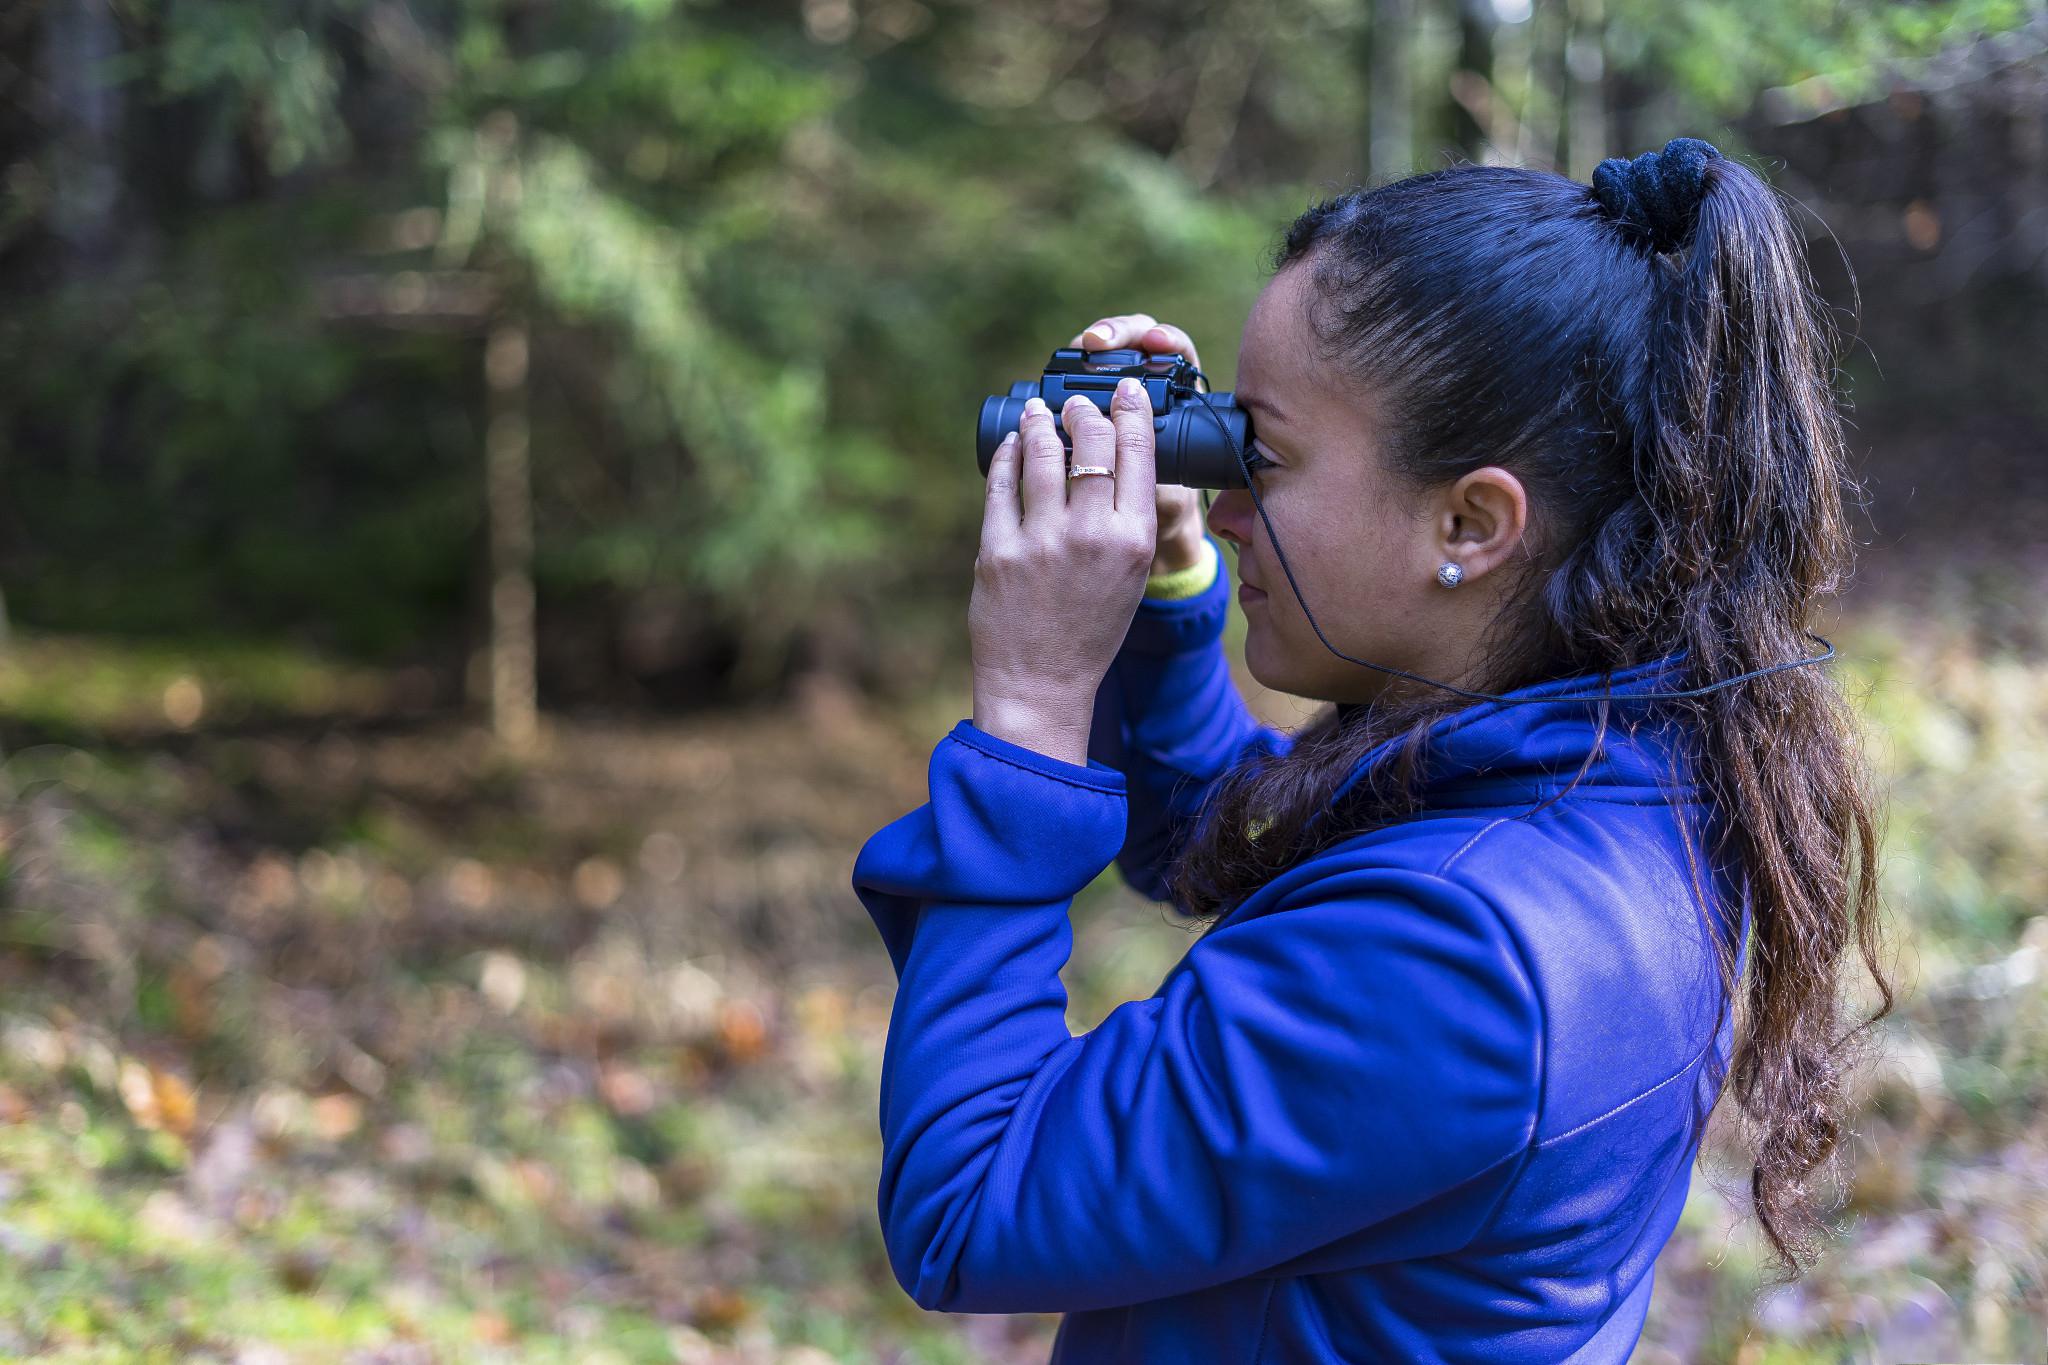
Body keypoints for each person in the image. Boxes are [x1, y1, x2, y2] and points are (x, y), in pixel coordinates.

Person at [850, 137, 1894, 1363]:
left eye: (1265, 460)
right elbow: (1232, 845)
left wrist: (1029, 704)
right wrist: (1179, 582)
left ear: (1468, 521)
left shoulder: (1471, 958)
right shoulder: (1597, 774)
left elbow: (975, 1205)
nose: (1230, 501)